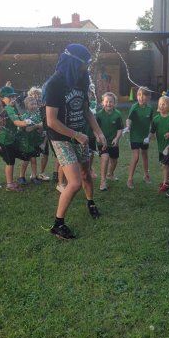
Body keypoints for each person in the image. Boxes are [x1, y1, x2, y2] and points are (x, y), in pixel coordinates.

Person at [44, 43, 107, 239]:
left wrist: (98, 132)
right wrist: (76, 135)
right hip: (61, 138)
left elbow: (86, 111)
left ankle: (91, 203)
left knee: (86, 174)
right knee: (75, 182)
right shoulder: (55, 84)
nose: (87, 67)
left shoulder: (82, 78)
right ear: (73, 62)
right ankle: (58, 224)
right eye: (85, 63)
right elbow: (51, 121)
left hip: (80, 135)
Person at [0, 85, 35, 192]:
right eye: (9, 97)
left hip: (7, 138)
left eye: (13, 96)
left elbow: (18, 117)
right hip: (5, 139)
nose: (12, 99)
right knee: (10, 162)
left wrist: (24, 119)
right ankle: (9, 184)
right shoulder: (8, 108)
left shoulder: (10, 106)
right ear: (2, 99)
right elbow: (16, 122)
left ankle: (2, 151)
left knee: (15, 154)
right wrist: (26, 123)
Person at [124, 86, 154, 189]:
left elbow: (152, 122)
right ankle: (130, 179)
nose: (141, 97)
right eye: (139, 95)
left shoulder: (150, 109)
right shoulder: (134, 107)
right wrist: (128, 127)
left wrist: (151, 134)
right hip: (135, 136)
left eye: (144, 95)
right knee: (136, 157)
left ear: (148, 97)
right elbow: (129, 119)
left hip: (145, 137)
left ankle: (146, 175)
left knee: (145, 155)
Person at [146, 95, 169, 193]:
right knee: (165, 164)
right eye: (160, 104)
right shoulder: (156, 119)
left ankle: (165, 183)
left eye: (164, 104)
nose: (162, 106)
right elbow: (152, 131)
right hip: (160, 147)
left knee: (165, 165)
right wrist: (148, 138)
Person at [96, 92, 123, 191]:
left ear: (114, 103)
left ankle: (110, 174)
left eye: (111, 102)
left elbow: (120, 129)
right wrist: (97, 136)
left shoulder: (118, 114)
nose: (108, 104)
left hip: (113, 142)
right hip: (102, 142)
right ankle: (103, 181)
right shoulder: (99, 115)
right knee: (105, 157)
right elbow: (95, 128)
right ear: (103, 102)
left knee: (114, 160)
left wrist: (116, 138)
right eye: (106, 101)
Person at [16, 95, 44, 186]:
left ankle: (34, 177)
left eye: (35, 104)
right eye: (32, 104)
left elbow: (41, 129)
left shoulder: (39, 115)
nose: (34, 106)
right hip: (26, 142)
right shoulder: (24, 116)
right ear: (27, 106)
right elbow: (27, 129)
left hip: (34, 141)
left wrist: (40, 127)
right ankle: (21, 177)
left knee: (34, 159)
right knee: (25, 160)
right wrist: (38, 126)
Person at [27, 86, 51, 181]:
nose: (37, 97)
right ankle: (33, 174)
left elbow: (47, 125)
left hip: (44, 136)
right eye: (34, 95)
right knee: (32, 155)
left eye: (39, 95)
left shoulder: (45, 108)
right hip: (33, 137)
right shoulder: (29, 109)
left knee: (45, 154)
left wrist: (44, 142)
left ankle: (42, 173)